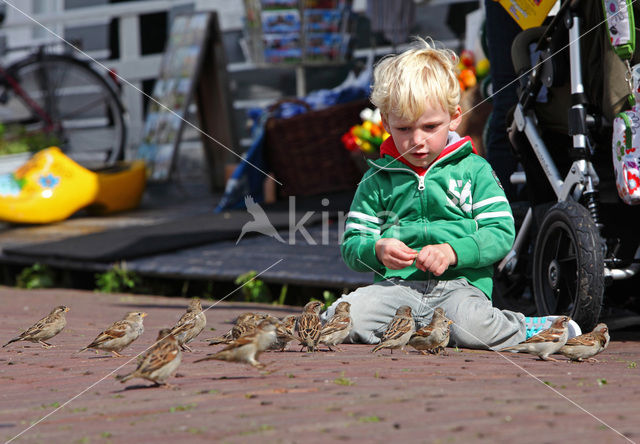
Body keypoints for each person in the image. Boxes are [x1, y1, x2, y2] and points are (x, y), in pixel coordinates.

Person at [322, 37, 580, 350]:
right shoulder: (377, 179)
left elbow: (500, 233)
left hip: (459, 287)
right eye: (404, 129)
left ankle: (530, 328)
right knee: (344, 317)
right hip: (395, 288)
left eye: (430, 127)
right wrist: (376, 248)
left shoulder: (474, 170)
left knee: (471, 329)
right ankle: (410, 331)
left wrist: (452, 251)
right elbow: (353, 244)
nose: (417, 140)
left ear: (454, 117)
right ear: (387, 123)